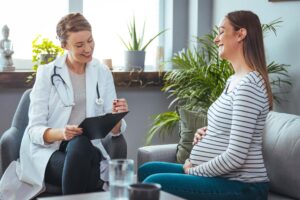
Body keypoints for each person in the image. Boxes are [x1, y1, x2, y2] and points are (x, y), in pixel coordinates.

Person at [138, 10, 272, 200]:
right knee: (147, 170)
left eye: (221, 32)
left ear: (241, 34)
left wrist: (193, 171)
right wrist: (210, 130)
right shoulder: (233, 80)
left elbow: (236, 156)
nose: (216, 39)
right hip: (222, 176)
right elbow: (234, 128)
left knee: (153, 181)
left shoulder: (249, 85)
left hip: (243, 185)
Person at [0, 13, 128, 199]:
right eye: (79, 45)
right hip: (49, 150)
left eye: (90, 41)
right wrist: (62, 133)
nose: (88, 48)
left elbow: (114, 130)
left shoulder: (102, 72)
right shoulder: (47, 74)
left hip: (87, 148)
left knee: (80, 144)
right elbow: (34, 130)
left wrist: (118, 115)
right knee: (85, 162)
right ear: (64, 45)